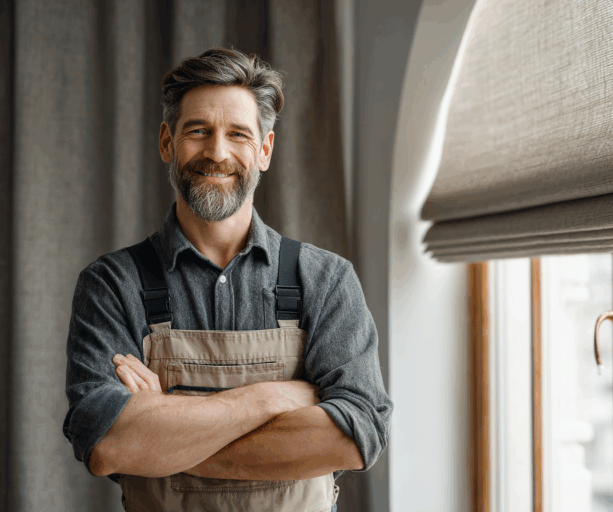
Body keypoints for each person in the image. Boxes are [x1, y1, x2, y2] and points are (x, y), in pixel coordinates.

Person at [62, 47, 392, 512]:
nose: (217, 153)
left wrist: (165, 434)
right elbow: (107, 444)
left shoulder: (326, 279)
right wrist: (269, 399)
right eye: (198, 131)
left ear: (264, 151)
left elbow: (356, 437)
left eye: (238, 134)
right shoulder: (111, 284)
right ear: (167, 142)